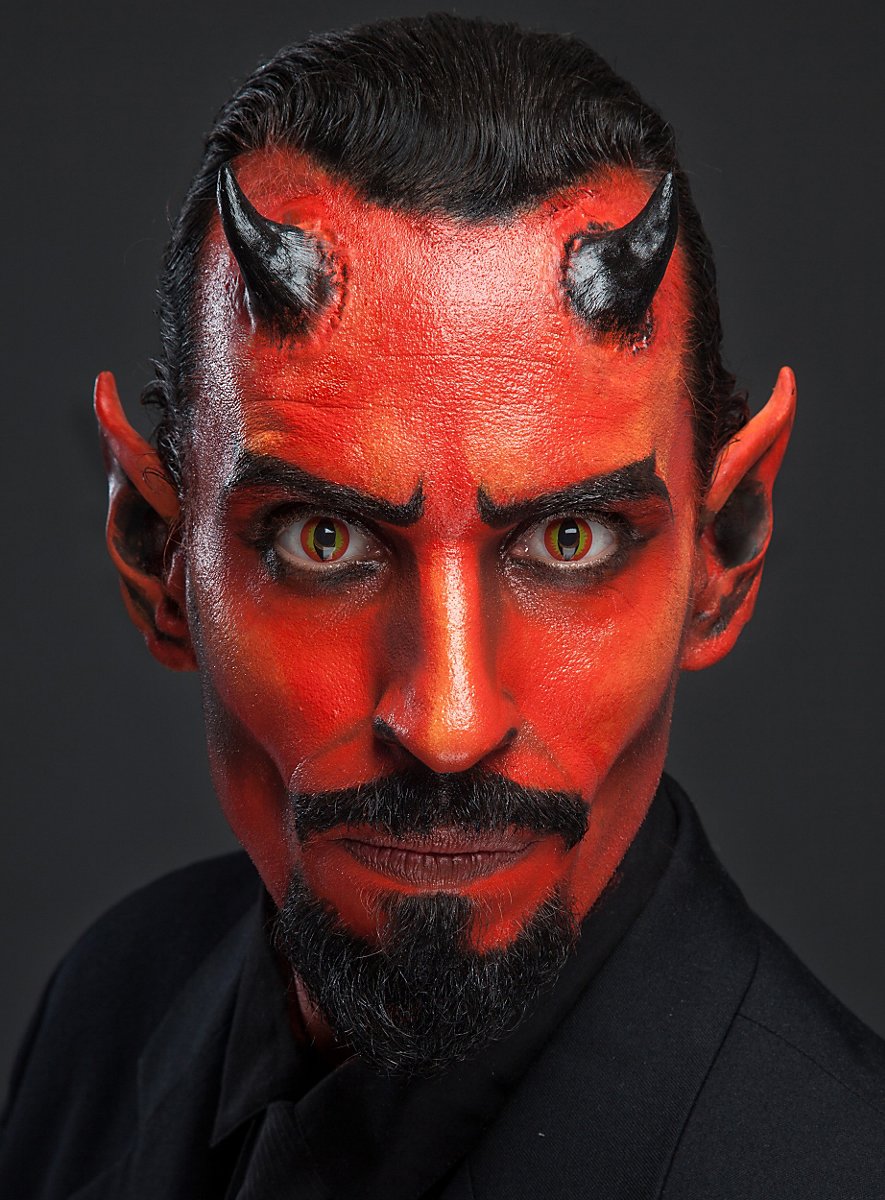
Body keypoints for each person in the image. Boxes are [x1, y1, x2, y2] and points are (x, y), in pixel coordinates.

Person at [2, 12, 883, 1198]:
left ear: (722, 553)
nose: (449, 723)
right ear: (155, 552)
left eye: (569, 541)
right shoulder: (107, 1015)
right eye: (324, 541)